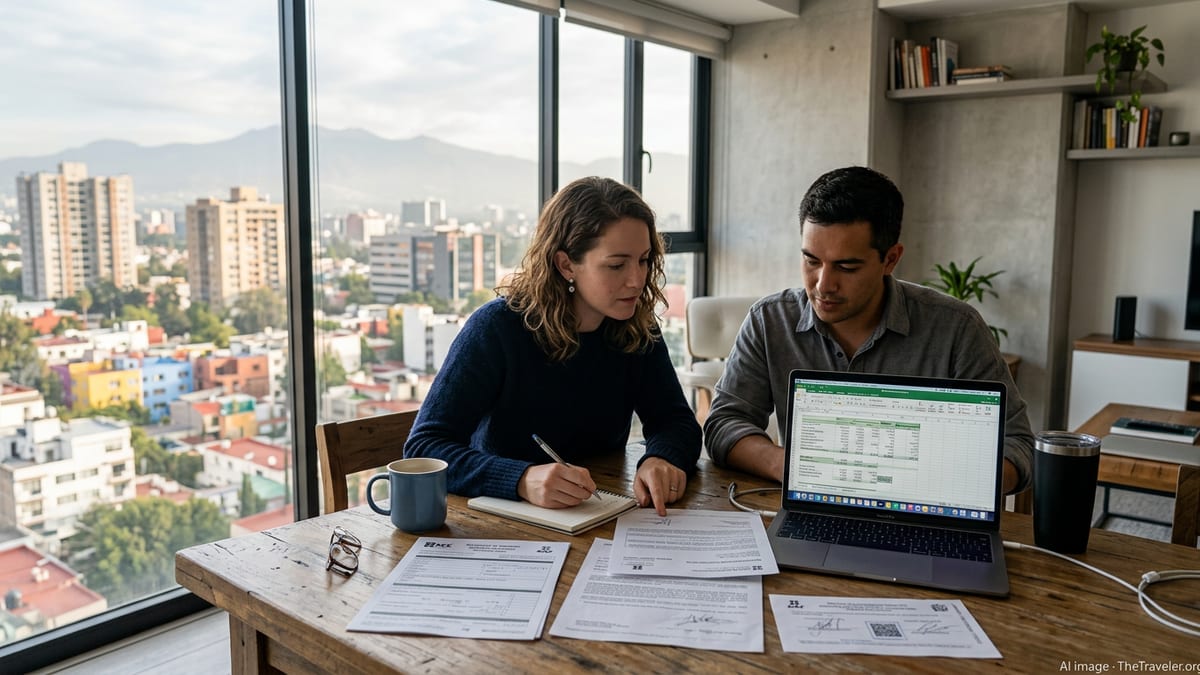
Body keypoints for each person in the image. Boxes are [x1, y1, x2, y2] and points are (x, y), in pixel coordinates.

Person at [703, 166, 1033, 495]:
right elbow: (723, 425)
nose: (823, 285)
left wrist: (932, 482)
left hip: (921, 514)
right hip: (811, 507)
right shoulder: (770, 321)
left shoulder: (956, 329)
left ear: (890, 259)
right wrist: (793, 466)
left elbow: (1016, 446)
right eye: (811, 261)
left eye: (847, 267)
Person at [404, 176, 701, 516]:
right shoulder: (497, 328)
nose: (637, 280)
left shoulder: (636, 327)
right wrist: (520, 479)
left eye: (644, 260)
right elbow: (423, 450)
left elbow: (675, 421)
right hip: (500, 526)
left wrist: (661, 458)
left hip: (598, 516)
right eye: (617, 265)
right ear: (565, 265)